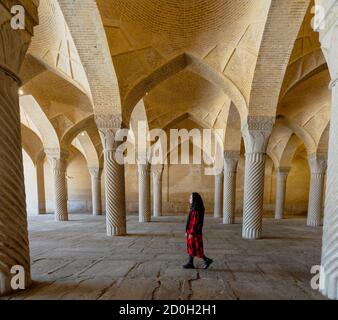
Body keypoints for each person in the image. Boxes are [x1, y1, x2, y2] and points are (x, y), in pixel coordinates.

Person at [183, 192, 213, 270]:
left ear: (195, 199)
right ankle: (190, 263)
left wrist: (191, 233)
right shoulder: (194, 207)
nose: (189, 199)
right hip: (193, 232)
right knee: (192, 247)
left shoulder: (195, 209)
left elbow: (194, 222)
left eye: (190, 198)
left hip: (194, 233)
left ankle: (207, 260)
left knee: (196, 248)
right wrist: (187, 231)